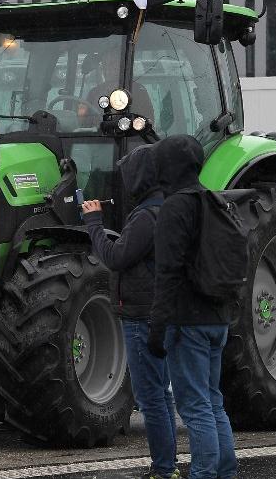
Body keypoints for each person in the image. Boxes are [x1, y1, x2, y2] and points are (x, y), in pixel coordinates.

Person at [82, 144, 178, 479]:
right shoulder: (166, 208)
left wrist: (93, 222)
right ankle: (168, 466)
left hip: (140, 316)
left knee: (150, 397)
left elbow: (114, 257)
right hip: (159, 312)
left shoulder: (144, 218)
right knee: (161, 393)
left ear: (139, 178)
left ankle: (163, 469)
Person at [148, 134, 237, 479]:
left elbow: (167, 272)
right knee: (213, 401)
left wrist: (158, 326)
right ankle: (225, 472)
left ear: (167, 166)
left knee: (195, 406)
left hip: (188, 322)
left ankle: (203, 473)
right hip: (218, 317)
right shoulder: (213, 201)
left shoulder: (175, 207)